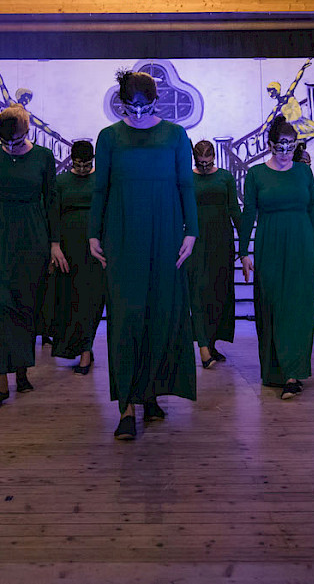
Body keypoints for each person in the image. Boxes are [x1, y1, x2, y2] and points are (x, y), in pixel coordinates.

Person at [89, 70, 198, 440]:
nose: (137, 114)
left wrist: (192, 231)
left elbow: (186, 185)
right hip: (122, 234)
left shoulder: (175, 135)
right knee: (126, 317)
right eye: (130, 107)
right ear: (121, 102)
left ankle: (150, 393)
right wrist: (93, 232)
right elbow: (100, 188)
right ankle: (126, 407)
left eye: (144, 107)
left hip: (166, 233)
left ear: (156, 101)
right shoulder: (109, 137)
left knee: (160, 314)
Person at [0, 105, 66, 411]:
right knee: (0, 308)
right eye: (5, 141)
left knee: (27, 306)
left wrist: (54, 243)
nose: (10, 146)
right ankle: (1, 383)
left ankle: (22, 370)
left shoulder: (43, 157)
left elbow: (51, 200)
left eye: (15, 140)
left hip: (32, 236)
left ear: (28, 131)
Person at [239, 116, 314, 400]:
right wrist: (243, 251)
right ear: (270, 145)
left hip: (302, 243)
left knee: (298, 308)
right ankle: (275, 370)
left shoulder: (303, 173)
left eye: (290, 146)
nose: (286, 152)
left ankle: (293, 373)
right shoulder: (256, 174)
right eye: (280, 146)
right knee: (272, 304)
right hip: (270, 244)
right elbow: (248, 213)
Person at [48, 140, 105, 374]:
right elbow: (52, 215)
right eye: (78, 164)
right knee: (71, 300)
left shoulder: (101, 180)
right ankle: (82, 347)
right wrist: (54, 246)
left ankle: (85, 351)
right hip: (68, 248)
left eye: (87, 165)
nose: (82, 169)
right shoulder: (61, 181)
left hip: (95, 246)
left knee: (92, 299)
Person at [188, 140, 241, 368]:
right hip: (196, 241)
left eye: (208, 164)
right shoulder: (187, 178)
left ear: (214, 159)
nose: (204, 167)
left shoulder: (225, 177)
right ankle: (202, 346)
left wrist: (245, 240)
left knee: (219, 292)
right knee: (198, 290)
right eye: (201, 164)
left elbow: (234, 209)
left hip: (222, 240)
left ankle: (210, 343)